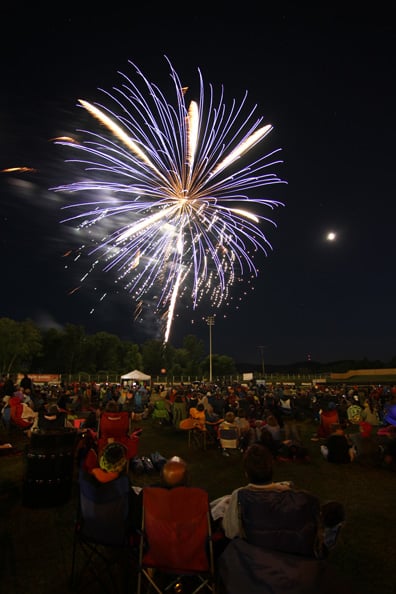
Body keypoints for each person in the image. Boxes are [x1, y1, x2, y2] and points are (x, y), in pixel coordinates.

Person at [210, 443, 293, 539]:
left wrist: (222, 522)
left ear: (246, 473)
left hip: (251, 547)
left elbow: (231, 532)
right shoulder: (289, 494)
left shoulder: (240, 495)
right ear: (271, 468)